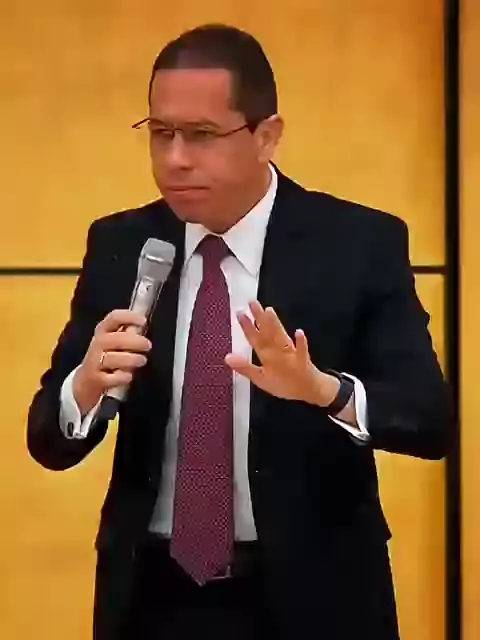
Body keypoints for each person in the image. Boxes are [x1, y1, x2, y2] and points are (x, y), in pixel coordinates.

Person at [27, 23, 452, 640]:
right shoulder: (122, 244)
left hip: (316, 597)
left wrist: (323, 390)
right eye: (161, 133)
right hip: (152, 595)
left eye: (202, 135)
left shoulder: (358, 244)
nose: (175, 158)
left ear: (267, 136)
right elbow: (48, 438)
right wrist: (86, 386)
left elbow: (429, 421)